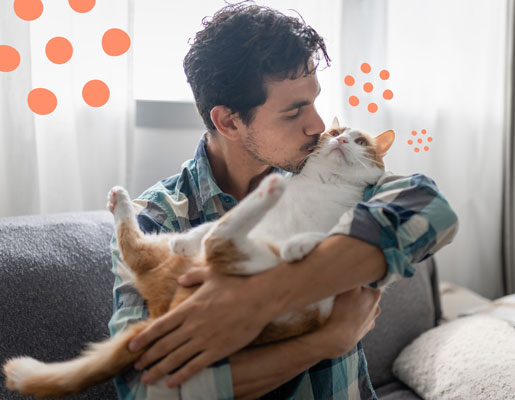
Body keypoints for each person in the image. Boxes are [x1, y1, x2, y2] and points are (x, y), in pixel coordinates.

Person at [109, 3, 458, 399]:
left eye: (314, 101)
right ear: (228, 121)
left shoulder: (325, 167)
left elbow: (432, 207)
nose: (319, 126)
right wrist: (326, 341)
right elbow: (142, 390)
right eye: (294, 112)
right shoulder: (156, 220)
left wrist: (270, 292)